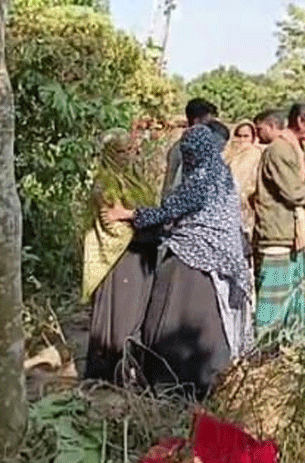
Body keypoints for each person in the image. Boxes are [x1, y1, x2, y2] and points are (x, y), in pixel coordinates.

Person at [104, 124, 253, 400]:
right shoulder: (222, 172)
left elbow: (169, 210)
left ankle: (171, 383)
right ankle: (206, 382)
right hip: (220, 258)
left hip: (197, 254)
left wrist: (126, 214)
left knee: (175, 314)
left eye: (189, 153)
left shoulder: (202, 177)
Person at [82, 129, 160, 384]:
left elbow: (152, 208)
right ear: (109, 154)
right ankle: (110, 372)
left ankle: (131, 369)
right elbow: (111, 224)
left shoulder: (136, 179)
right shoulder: (105, 183)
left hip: (141, 256)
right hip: (119, 259)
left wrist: (137, 217)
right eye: (121, 152)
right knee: (118, 316)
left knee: (137, 315)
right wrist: (144, 226)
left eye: (130, 151)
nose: (128, 156)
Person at [252, 104, 305, 338]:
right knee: (272, 305)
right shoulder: (280, 149)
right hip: (277, 237)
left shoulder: (294, 148)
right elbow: (294, 192)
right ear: (302, 122)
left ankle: (286, 356)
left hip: (289, 237)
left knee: (291, 301)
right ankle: (262, 358)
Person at [161, 98, 218, 200]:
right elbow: (171, 183)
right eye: (208, 123)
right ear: (197, 122)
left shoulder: (179, 146)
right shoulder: (183, 148)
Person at [224, 120, 265, 242]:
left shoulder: (256, 155)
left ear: (253, 138)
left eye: (246, 136)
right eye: (239, 135)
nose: (242, 140)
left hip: (245, 208)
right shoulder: (227, 154)